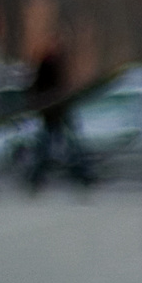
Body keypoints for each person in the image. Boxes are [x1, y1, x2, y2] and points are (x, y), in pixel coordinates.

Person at [27, 35, 92, 189]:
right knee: (49, 146)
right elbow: (39, 87)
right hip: (52, 111)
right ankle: (38, 177)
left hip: (59, 110)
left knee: (62, 145)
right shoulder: (48, 64)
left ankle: (81, 174)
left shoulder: (58, 63)